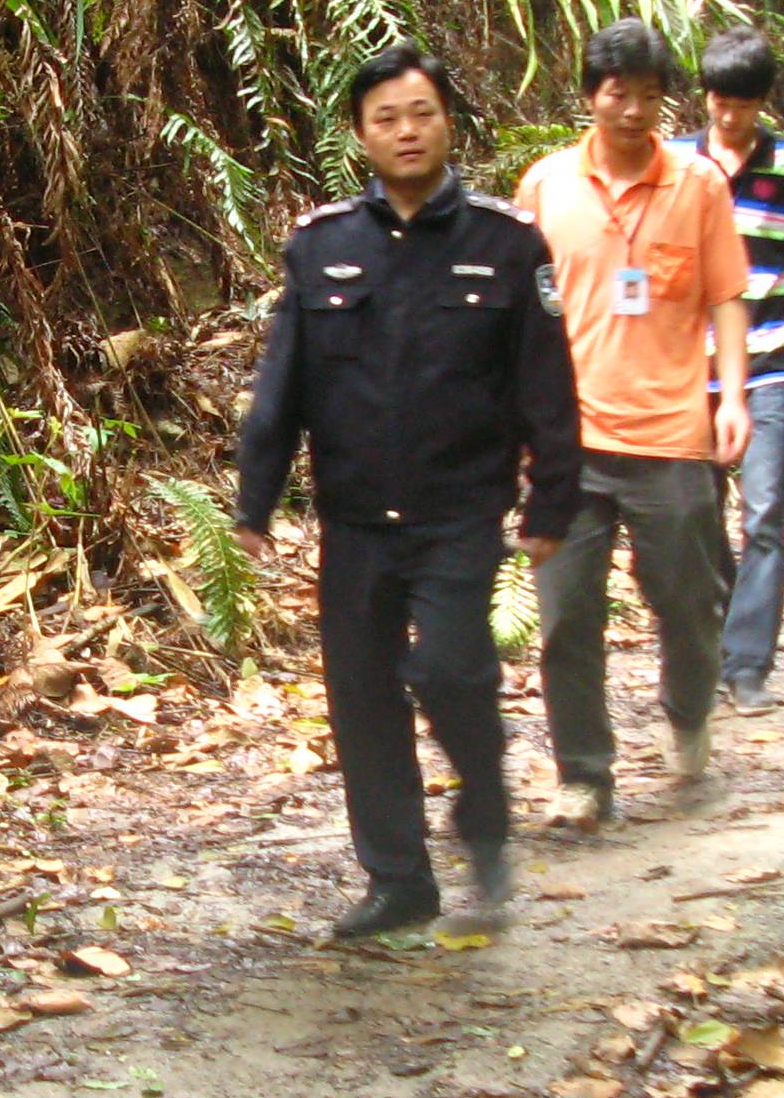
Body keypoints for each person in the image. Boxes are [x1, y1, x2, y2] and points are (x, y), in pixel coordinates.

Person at [234, 46, 581, 943]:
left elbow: (547, 384)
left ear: (448, 123)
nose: (406, 131)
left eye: (421, 113)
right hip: (354, 521)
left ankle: (485, 806)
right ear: (359, 134)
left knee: (449, 669)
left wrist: (552, 501)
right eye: (386, 117)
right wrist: (254, 504)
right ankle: (398, 880)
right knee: (362, 699)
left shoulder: (506, 244)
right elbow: (284, 386)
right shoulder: (323, 248)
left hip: (461, 512)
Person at [510, 19, 749, 833]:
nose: (635, 111)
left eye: (651, 96)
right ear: (590, 96)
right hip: (568, 441)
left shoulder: (700, 185)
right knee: (567, 615)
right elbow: (518, 311)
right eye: (619, 93)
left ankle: (687, 712)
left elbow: (726, 296)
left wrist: (737, 397)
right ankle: (584, 775)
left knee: (688, 603)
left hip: (675, 432)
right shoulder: (545, 186)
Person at [679, 27, 784, 712]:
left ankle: (746, 666)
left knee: (765, 510)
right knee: (695, 513)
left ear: (762, 101)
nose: (728, 114)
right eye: (718, 99)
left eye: (742, 103)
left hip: (771, 356)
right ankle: (716, 640)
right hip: (693, 365)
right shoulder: (678, 163)